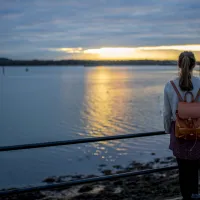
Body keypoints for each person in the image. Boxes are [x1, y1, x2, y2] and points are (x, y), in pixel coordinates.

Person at [163, 51, 200, 200]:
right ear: (194, 64)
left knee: (183, 170)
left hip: (179, 133)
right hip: (198, 133)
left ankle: (187, 197)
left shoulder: (170, 85)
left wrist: (167, 129)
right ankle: (195, 195)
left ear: (179, 64)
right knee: (195, 170)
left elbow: (166, 113)